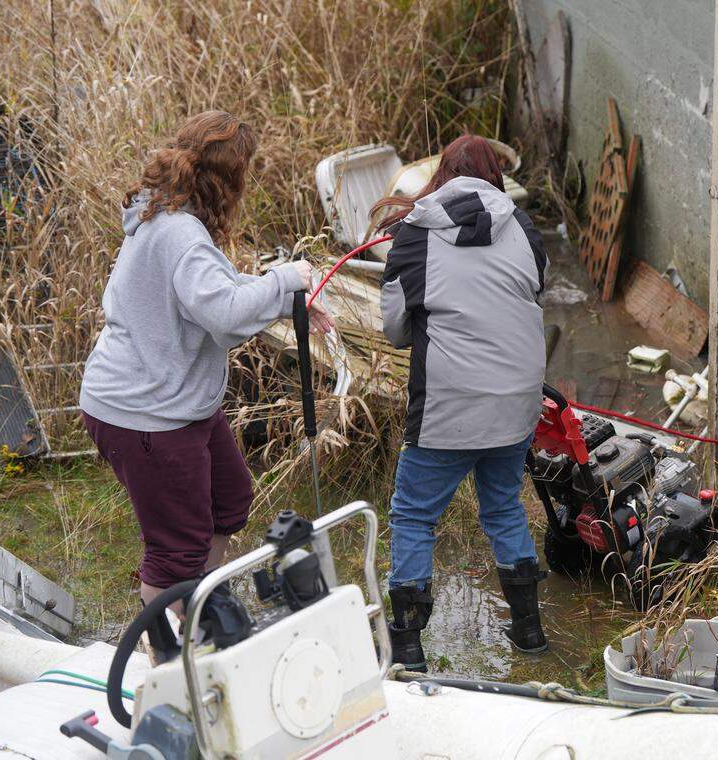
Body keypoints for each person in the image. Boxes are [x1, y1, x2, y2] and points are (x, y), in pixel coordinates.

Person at [79, 111, 334, 623]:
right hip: (145, 412)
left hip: (178, 400)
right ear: (230, 177)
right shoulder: (180, 233)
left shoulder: (167, 215)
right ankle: (169, 657)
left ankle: (198, 604)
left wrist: (289, 302)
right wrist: (286, 278)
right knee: (174, 551)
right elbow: (222, 316)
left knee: (229, 500)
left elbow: (213, 289)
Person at [374, 135, 549, 672]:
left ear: (442, 175)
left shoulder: (412, 237)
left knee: (413, 515)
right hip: (518, 402)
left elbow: (396, 331)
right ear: (496, 177)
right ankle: (529, 632)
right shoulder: (524, 230)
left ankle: (406, 647)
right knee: (502, 506)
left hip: (448, 407)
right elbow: (530, 296)